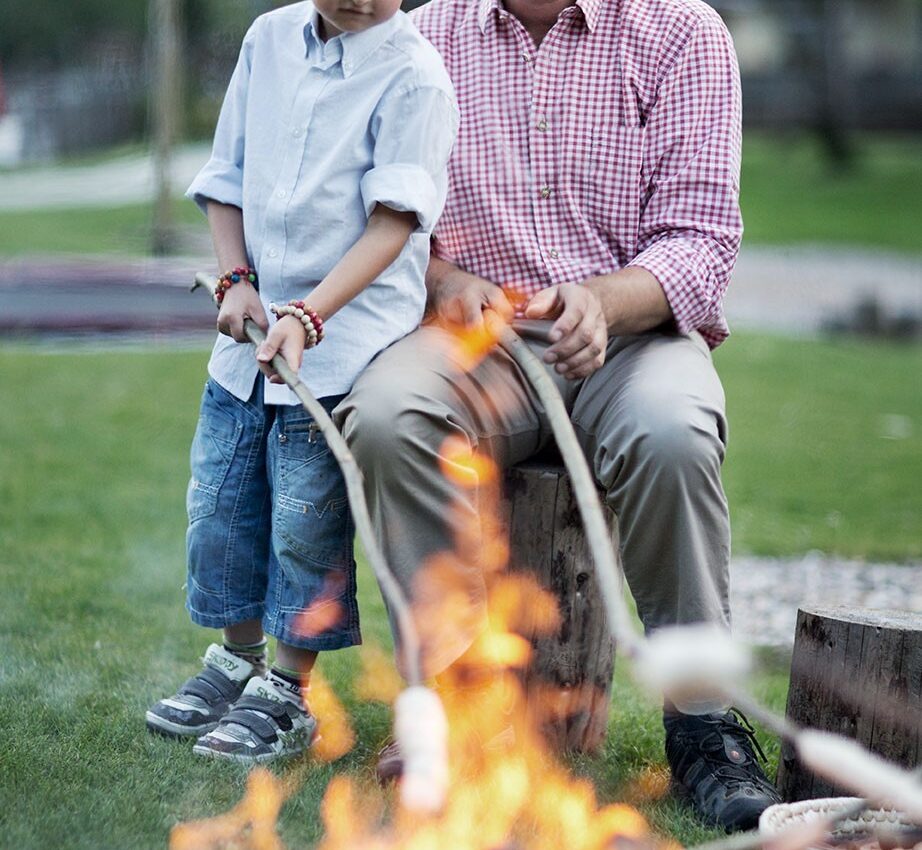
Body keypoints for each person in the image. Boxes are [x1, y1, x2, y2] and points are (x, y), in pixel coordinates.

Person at [336, 0, 781, 830]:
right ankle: (457, 710)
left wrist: (605, 303)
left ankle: (703, 727)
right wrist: (440, 280)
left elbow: (702, 238)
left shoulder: (683, 32)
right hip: (477, 340)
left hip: (633, 335)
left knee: (673, 435)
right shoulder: (423, 36)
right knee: (390, 412)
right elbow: (380, 212)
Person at [145, 0, 457, 764]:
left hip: (336, 344)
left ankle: (288, 688)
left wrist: (310, 317)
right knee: (219, 506)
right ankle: (237, 660)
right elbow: (227, 174)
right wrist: (237, 278)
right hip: (246, 336)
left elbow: (393, 222)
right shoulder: (269, 39)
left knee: (303, 522)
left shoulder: (416, 77)